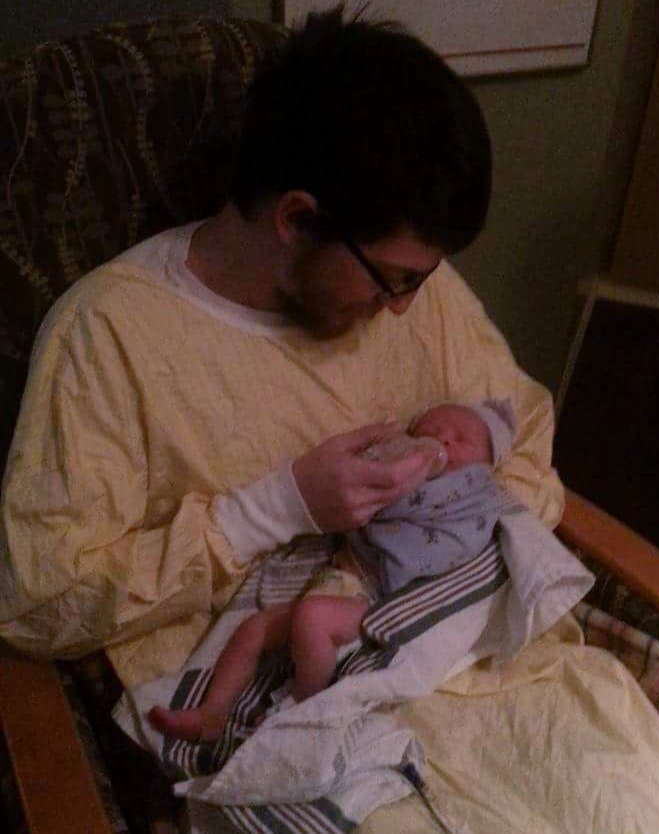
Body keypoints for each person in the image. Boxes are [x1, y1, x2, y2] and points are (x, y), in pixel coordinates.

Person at [0, 6, 562, 699]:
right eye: (396, 280)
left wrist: (461, 527)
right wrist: (272, 509)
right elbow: (36, 602)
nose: (406, 308)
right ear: (297, 220)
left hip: (473, 655)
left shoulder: (406, 275)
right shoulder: (109, 337)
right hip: (286, 701)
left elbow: (524, 422)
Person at [147, 400, 514, 740]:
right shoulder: (402, 461)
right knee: (253, 630)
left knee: (313, 619)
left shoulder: (473, 497)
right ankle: (213, 712)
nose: (443, 439)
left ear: (486, 466)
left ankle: (300, 708)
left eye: (461, 439)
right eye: (433, 427)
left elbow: (454, 541)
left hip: (376, 598)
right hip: (343, 577)